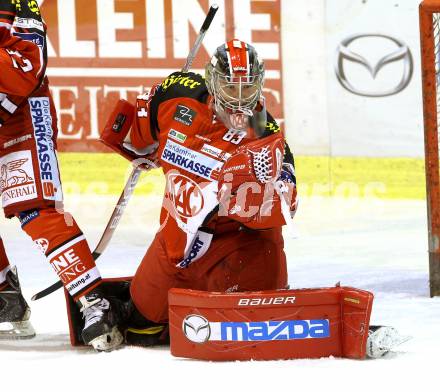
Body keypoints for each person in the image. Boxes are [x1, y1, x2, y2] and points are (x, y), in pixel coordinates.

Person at [101, 39, 298, 345]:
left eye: (249, 87)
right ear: (212, 81)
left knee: (243, 332)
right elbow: (138, 131)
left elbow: (286, 206)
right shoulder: (176, 93)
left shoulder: (264, 134)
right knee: (141, 328)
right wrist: (141, 144)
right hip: (175, 240)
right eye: (231, 87)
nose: (241, 97)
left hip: (237, 247)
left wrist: (254, 188)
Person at [0, 1, 124, 351]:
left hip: (20, 118)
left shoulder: (16, 4)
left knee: (36, 211)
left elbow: (28, 68)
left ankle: (95, 303)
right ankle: (4, 296)